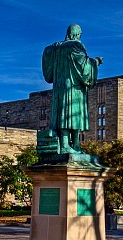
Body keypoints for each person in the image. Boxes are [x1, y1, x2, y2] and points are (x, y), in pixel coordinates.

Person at [42, 24, 103, 154]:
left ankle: (74, 145)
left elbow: (47, 55)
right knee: (72, 115)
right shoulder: (77, 46)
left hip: (60, 87)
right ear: (76, 33)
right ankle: (67, 145)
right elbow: (83, 65)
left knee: (64, 114)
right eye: (80, 33)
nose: (80, 36)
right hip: (74, 87)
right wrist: (95, 62)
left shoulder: (56, 47)